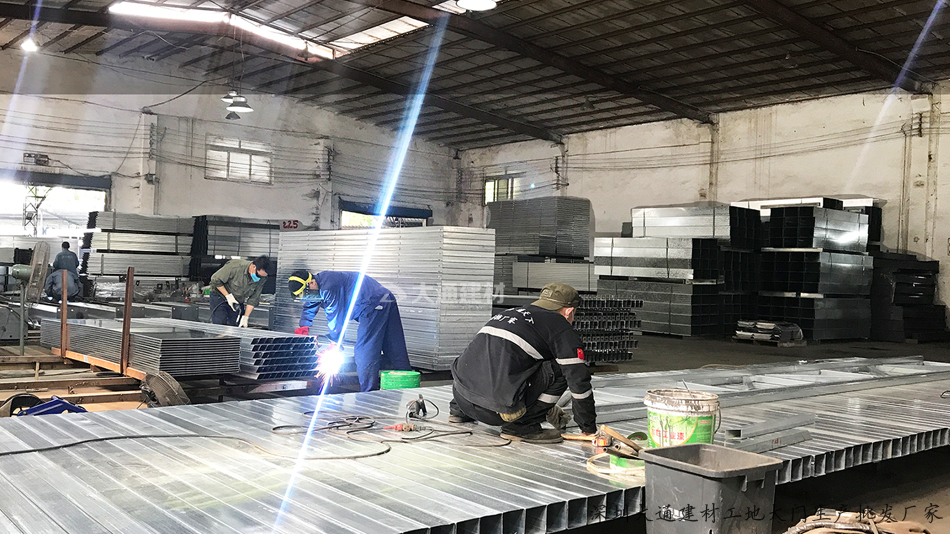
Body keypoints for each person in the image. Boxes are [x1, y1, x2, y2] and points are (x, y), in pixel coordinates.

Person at [449, 282, 596, 444]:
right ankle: (523, 426)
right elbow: (578, 380)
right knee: (562, 368)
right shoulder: (560, 325)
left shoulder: (509, 314)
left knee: (485, 353)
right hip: (495, 413)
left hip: (462, 399)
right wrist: (588, 427)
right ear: (569, 312)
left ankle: (457, 413)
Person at [288, 270, 411, 392]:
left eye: (306, 294)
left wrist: (335, 342)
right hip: (385, 298)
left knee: (365, 350)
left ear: (311, 282)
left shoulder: (329, 287)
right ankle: (408, 384)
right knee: (394, 344)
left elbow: (335, 317)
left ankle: (368, 393)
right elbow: (310, 305)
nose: (307, 298)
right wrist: (303, 328)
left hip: (374, 302)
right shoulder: (317, 285)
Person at [208, 256, 270, 327]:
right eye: (258, 275)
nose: (259, 278)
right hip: (220, 295)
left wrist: (245, 317)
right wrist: (228, 296)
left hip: (237, 300)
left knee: (235, 324)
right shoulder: (236, 267)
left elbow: (253, 299)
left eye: (261, 277)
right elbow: (215, 280)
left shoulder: (262, 279)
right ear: (253, 267)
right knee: (220, 322)